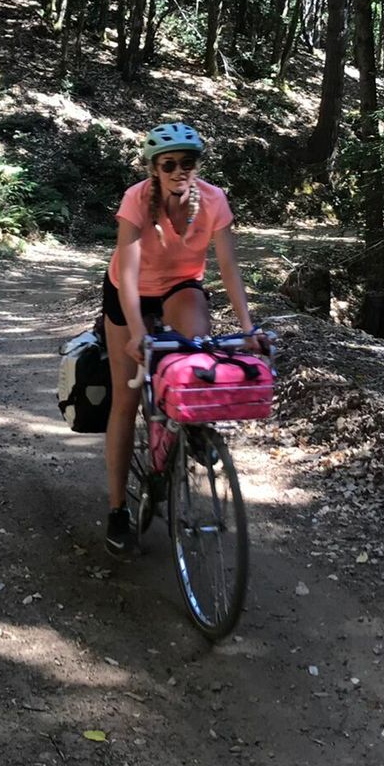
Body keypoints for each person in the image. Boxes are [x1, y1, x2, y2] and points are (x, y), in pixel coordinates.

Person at [101, 122, 260, 558]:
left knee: (199, 351)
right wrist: (137, 333)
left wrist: (248, 329)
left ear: (197, 165)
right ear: (154, 168)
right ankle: (117, 510)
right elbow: (128, 272)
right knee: (125, 399)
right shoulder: (137, 200)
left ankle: (192, 427)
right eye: (168, 164)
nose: (177, 171)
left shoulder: (213, 200)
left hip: (179, 287)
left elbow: (229, 267)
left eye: (186, 163)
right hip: (129, 291)